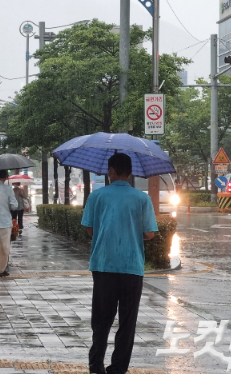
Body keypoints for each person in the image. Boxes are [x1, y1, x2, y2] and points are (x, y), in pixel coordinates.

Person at [81, 153, 158, 374]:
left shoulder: (97, 197)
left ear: (111, 171)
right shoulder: (141, 198)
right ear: (130, 172)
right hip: (132, 267)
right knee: (127, 321)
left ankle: (96, 365)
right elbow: (150, 234)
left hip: (104, 265)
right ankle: (117, 368)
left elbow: (89, 230)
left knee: (101, 320)